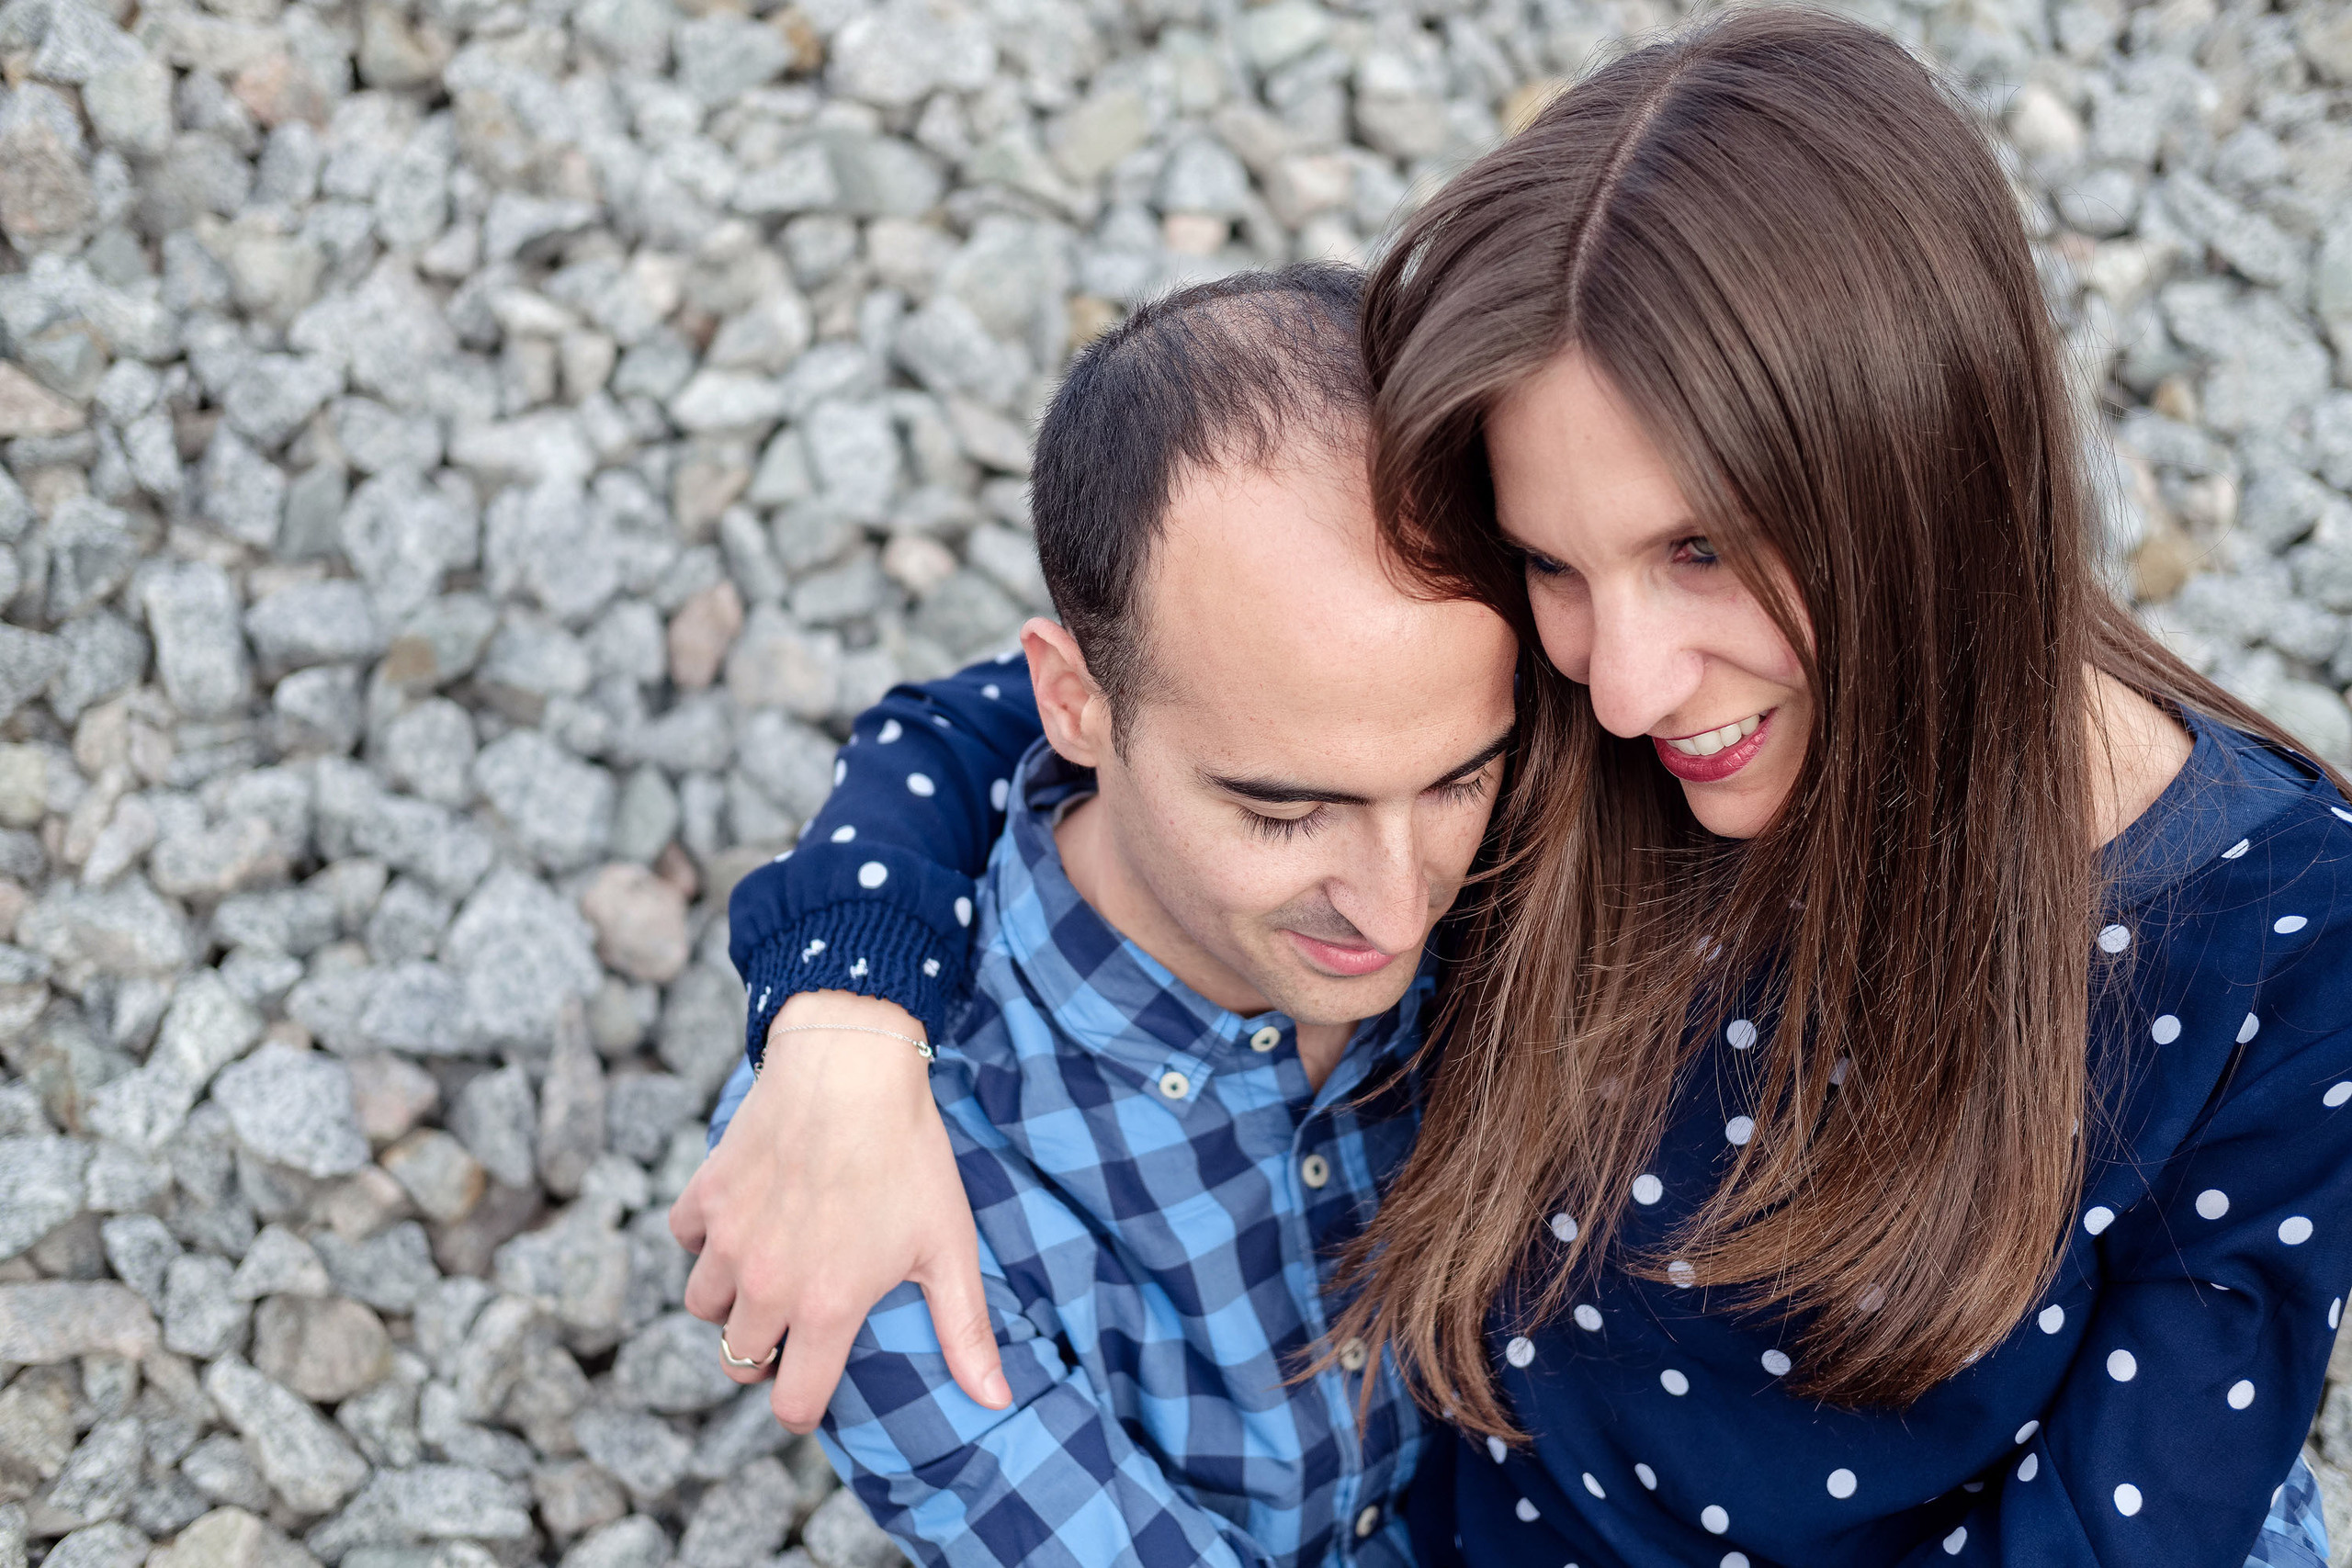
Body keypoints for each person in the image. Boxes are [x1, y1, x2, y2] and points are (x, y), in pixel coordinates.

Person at [674, 11, 2352, 1566]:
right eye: (1555, 563)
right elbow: (1034, 716)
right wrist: (839, 1021)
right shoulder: (1594, 723)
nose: (1621, 686)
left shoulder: (2278, 933)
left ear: (1915, 473)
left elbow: (2139, 1523)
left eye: (1700, 549)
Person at [679, 265, 1521, 1564]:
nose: (1400, 899)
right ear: (1071, 702)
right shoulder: (871, 1176)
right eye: (1285, 809)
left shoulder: (1542, 836)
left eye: (1462, 776)